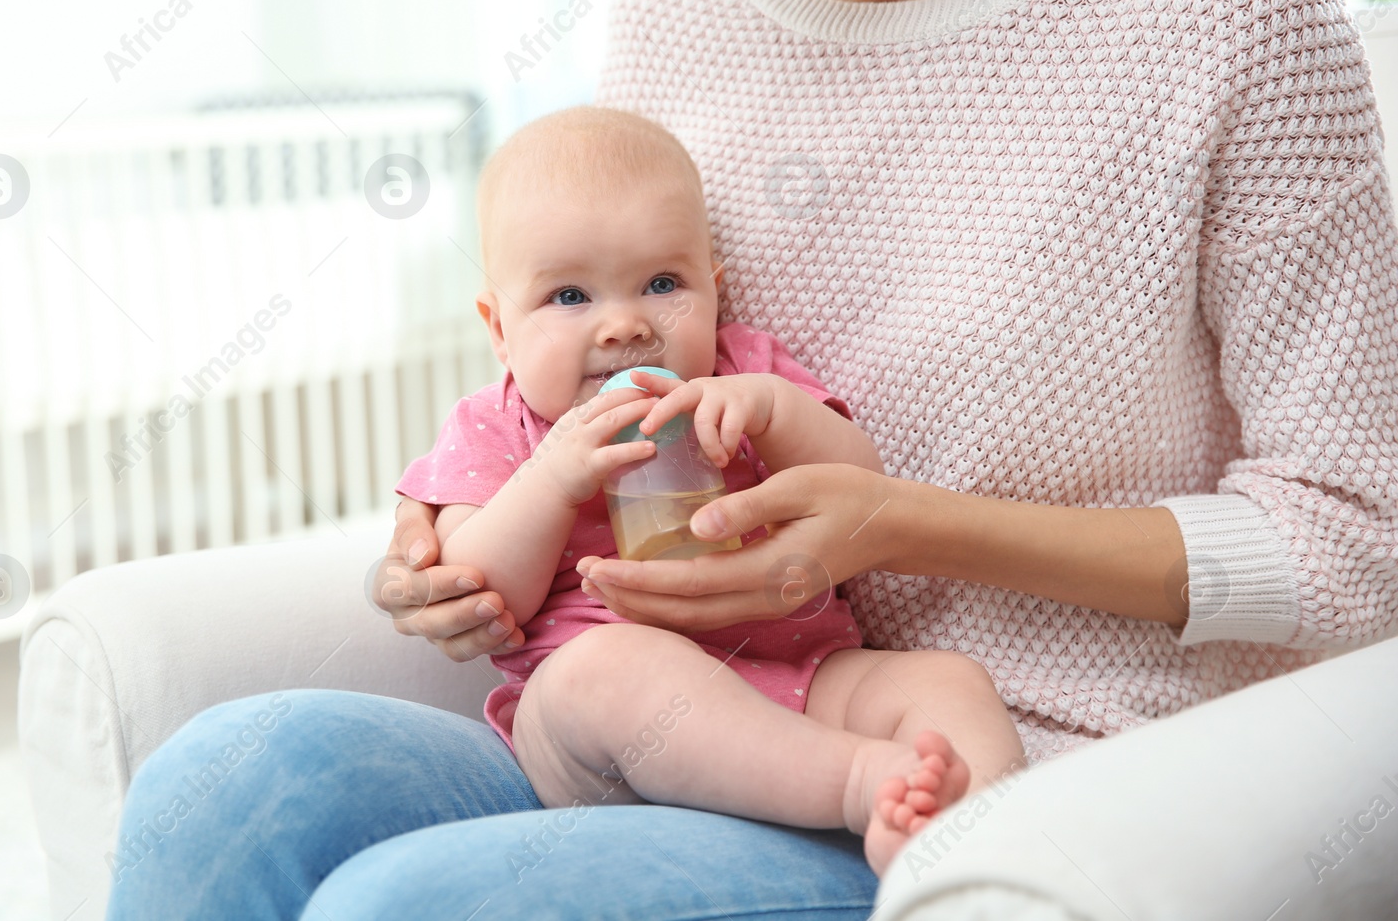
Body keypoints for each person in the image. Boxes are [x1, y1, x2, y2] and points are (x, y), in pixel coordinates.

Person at [104, 0, 1398, 917]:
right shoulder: (679, 5)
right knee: (220, 779)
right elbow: (593, 326)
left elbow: (1362, 536)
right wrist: (459, 524)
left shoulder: (1226, 5)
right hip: (664, 713)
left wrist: (898, 521)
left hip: (1020, 752)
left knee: (404, 903)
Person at [391, 104, 1027, 874]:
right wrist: (552, 479)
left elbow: (863, 485)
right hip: (607, 736)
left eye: (662, 283)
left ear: (714, 293)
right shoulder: (499, 425)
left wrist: (775, 410)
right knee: (606, 673)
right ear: (500, 329)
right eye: (569, 297)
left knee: (945, 680)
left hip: (797, 676)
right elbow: (482, 591)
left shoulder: (740, 375)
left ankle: (971, 851)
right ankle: (860, 779)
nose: (623, 325)